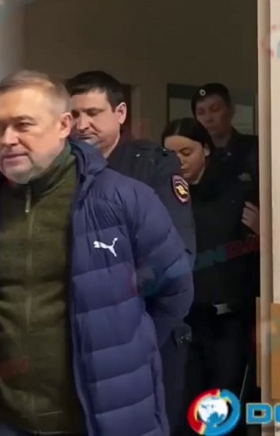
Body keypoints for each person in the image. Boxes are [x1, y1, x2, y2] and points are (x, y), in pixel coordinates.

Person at [0, 70, 194, 436]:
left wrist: (125, 349)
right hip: (1, 422)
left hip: (99, 420)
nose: (8, 139)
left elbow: (175, 290)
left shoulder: (124, 199)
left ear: (64, 125)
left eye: (23, 125)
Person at [66, 70, 195, 435]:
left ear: (120, 113)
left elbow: (176, 263)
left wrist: (131, 327)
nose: (82, 125)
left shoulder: (153, 166)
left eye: (93, 113)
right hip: (84, 344)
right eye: (75, 115)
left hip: (149, 335)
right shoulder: (62, 172)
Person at [161, 118, 259, 435]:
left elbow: (261, 256)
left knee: (221, 416)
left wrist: (263, 235)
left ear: (205, 149)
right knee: (183, 412)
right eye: (170, 154)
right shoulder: (164, 197)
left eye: (186, 152)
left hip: (228, 322)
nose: (178, 161)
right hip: (183, 323)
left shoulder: (237, 190)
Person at [191, 83, 259, 189]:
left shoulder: (254, 148)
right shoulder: (194, 154)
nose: (208, 118)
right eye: (201, 113)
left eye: (215, 109)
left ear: (230, 110)